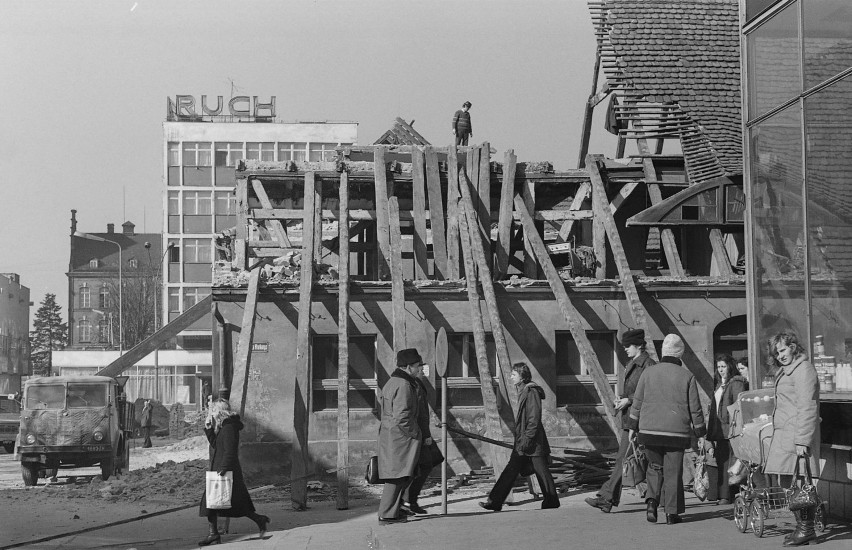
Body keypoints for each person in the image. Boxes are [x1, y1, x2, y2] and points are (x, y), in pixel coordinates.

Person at [627, 334, 706, 525]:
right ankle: (671, 513)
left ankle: (652, 502)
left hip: (649, 431)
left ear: (663, 351)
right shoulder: (687, 376)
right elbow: (694, 407)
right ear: (680, 354)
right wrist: (700, 432)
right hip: (676, 433)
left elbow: (637, 402)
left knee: (654, 468)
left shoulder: (648, 373)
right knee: (672, 472)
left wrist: (632, 427)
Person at [586, 328, 655, 513]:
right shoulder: (631, 364)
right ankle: (607, 499)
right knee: (630, 459)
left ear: (639, 345)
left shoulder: (649, 366)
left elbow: (650, 393)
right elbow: (632, 391)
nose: (625, 349)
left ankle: (607, 498)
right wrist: (622, 400)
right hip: (631, 419)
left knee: (638, 460)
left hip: (641, 421)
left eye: (629, 345)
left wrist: (629, 400)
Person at [763, 331, 820, 547]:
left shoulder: (803, 370)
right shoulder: (789, 371)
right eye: (777, 352)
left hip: (796, 436)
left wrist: (802, 441)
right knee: (789, 482)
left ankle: (806, 530)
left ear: (793, 347)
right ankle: (804, 529)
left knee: (799, 483)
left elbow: (807, 407)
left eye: (783, 350)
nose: (780, 355)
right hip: (787, 434)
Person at [479, 362, 560, 512]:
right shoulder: (524, 391)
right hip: (525, 440)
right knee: (512, 470)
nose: (511, 377)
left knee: (540, 470)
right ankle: (495, 501)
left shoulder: (531, 392)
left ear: (522, 377)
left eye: (514, 375)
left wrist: (527, 440)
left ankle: (551, 500)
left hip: (531, 441)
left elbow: (533, 419)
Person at [198, 398, 269, 546]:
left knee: (221, 503)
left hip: (226, 470)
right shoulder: (224, 426)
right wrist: (209, 429)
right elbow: (217, 446)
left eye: (213, 410)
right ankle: (214, 534)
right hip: (222, 469)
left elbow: (230, 451)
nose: (211, 413)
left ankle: (215, 534)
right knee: (226, 503)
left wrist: (223, 469)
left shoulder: (229, 427)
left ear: (219, 411)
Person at [377, 348, 425, 524]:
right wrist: (416, 433)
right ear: (408, 367)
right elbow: (402, 416)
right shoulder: (404, 385)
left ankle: (393, 512)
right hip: (401, 438)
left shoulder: (394, 381)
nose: (420, 369)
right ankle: (387, 514)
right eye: (418, 366)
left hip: (394, 436)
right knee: (396, 476)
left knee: (400, 475)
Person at [705, 353, 747, 505]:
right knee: (722, 460)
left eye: (723, 366)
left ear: (730, 366)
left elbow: (738, 406)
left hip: (731, 428)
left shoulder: (736, 383)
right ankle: (722, 494)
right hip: (720, 429)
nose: (721, 370)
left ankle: (727, 494)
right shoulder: (719, 384)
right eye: (718, 367)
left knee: (730, 460)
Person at [401, 362, 441, 515]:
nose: (423, 370)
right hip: (418, 435)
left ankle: (409, 501)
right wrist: (426, 435)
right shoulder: (415, 386)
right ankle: (407, 501)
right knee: (422, 467)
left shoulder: (416, 384)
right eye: (420, 367)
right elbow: (421, 414)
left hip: (417, 434)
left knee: (425, 465)